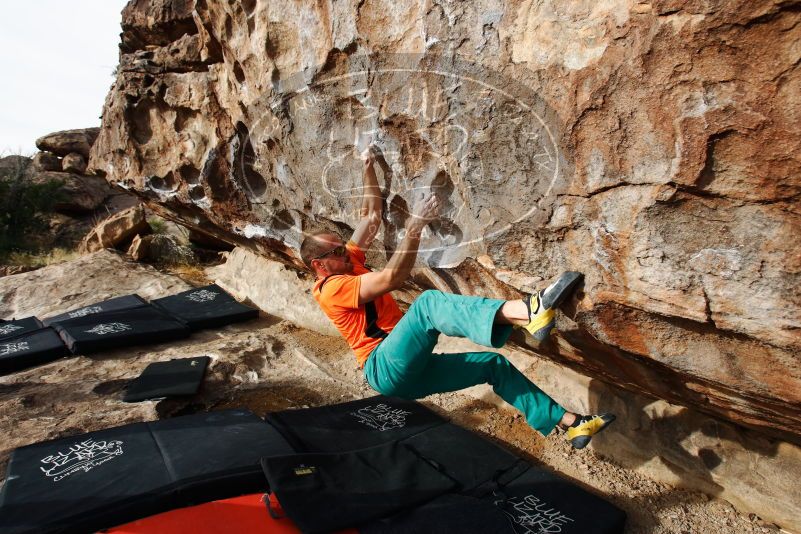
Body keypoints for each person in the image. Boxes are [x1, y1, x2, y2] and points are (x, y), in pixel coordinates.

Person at [300, 149, 614, 449]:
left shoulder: (345, 262)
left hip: (407, 371)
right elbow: (390, 279)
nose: (347, 250)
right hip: (383, 365)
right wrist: (415, 228)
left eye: (343, 246)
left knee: (493, 364)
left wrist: (368, 166)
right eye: (338, 250)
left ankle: (570, 422)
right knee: (426, 306)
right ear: (319, 264)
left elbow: (370, 217)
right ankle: (529, 311)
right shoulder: (330, 288)